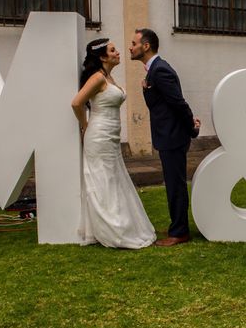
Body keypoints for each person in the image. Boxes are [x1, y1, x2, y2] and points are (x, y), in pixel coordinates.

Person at [71, 38, 156, 249]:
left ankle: (119, 224)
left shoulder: (109, 77)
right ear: (102, 57)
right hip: (98, 134)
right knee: (103, 180)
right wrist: (85, 125)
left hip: (110, 135)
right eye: (112, 50)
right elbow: (76, 102)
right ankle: (113, 228)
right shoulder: (98, 78)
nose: (118, 52)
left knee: (112, 179)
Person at [130, 28, 200, 247]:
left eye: (134, 43)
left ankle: (179, 232)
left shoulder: (160, 70)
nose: (130, 47)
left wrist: (192, 128)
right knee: (172, 184)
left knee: (175, 185)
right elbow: (161, 105)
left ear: (146, 46)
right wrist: (147, 90)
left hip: (173, 137)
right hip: (168, 136)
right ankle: (177, 227)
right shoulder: (154, 71)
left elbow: (178, 103)